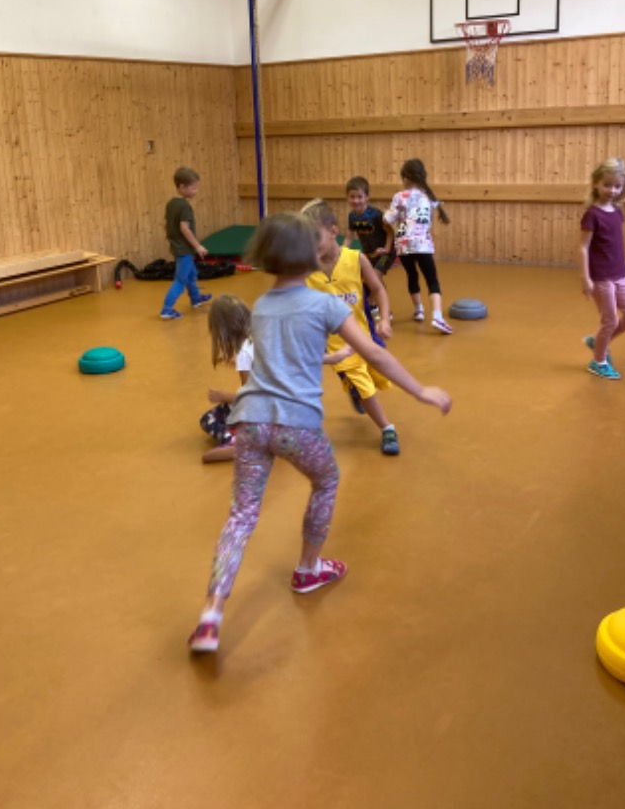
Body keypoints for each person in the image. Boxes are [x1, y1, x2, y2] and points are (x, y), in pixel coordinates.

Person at [187, 212, 452, 654]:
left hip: (250, 421)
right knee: (326, 480)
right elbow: (375, 355)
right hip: (296, 426)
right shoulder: (325, 305)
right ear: (308, 254)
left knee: (241, 515)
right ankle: (309, 569)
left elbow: (287, 355)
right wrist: (421, 390)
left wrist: (327, 360)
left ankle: (210, 615)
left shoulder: (263, 305)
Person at [302, 199, 401, 456]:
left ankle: (356, 393)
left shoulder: (357, 259)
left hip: (364, 335)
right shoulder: (306, 271)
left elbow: (378, 289)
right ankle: (387, 428)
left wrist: (385, 319)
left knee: (377, 378)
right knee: (364, 385)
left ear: (333, 231)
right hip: (337, 347)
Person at [579, 157, 625, 379]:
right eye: (607, 185)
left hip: (620, 274)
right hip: (602, 277)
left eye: (617, 186)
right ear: (596, 183)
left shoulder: (616, 211)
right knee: (610, 321)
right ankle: (598, 361)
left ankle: (597, 341)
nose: (612, 190)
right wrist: (586, 278)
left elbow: (615, 244)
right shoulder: (592, 214)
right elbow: (583, 248)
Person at [383, 158, 452, 333]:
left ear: (405, 178)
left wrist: (388, 218)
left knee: (412, 275)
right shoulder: (429, 197)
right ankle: (437, 316)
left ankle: (419, 309)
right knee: (432, 280)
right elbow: (428, 218)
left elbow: (387, 219)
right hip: (423, 246)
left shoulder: (399, 196)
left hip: (403, 246)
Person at [199, 295, 254, 463]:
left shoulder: (244, 353)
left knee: (208, 419)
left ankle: (237, 443)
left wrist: (225, 396)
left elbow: (252, 398)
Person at [160, 167, 212, 319]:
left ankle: (196, 299)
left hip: (178, 247)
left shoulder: (171, 203)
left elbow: (165, 224)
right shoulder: (184, 206)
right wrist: (198, 246)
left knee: (191, 274)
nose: (196, 191)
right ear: (182, 187)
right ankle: (167, 309)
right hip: (184, 250)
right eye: (193, 188)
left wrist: (173, 239)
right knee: (180, 280)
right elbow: (184, 228)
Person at [345, 176, 394, 315]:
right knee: (372, 279)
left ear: (367, 197)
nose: (356, 200)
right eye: (352, 197)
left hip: (385, 252)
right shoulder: (352, 217)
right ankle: (379, 306)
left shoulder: (376, 214)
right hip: (370, 253)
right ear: (347, 198)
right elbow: (349, 237)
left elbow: (390, 232)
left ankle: (376, 306)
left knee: (374, 277)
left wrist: (387, 249)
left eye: (359, 197)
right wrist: (342, 252)